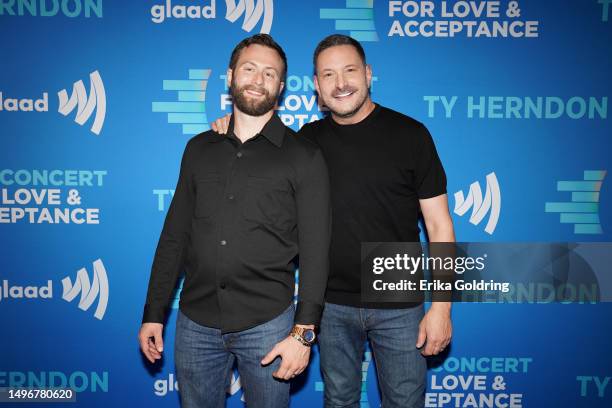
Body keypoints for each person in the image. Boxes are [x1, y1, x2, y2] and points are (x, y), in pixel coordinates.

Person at [212, 34, 454, 408]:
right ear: (316, 86)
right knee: (339, 400)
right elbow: (254, 140)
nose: (341, 83)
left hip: (398, 298)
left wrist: (441, 307)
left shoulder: (411, 135)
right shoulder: (306, 141)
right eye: (328, 74)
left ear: (369, 74)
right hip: (330, 304)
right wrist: (233, 124)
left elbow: (439, 226)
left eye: (350, 71)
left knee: (405, 401)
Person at [138, 34, 331, 408]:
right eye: (249, 68)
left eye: (270, 73)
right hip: (195, 323)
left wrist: (303, 335)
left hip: (269, 324)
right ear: (230, 76)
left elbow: (316, 252)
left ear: (281, 86)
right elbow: (175, 237)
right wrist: (154, 313)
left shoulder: (304, 157)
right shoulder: (198, 149)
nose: (258, 80)